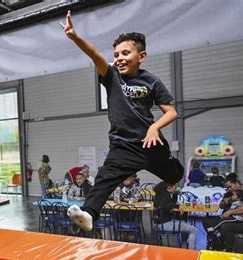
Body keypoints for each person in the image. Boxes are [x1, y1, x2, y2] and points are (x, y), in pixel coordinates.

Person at [61, 11, 184, 231]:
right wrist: (75, 37)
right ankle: (88, 214)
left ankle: (174, 167)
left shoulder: (151, 81)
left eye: (125, 53)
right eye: (116, 54)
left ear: (141, 56)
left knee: (175, 174)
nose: (119, 58)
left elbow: (172, 112)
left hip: (149, 143)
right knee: (104, 179)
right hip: (122, 146)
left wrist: (155, 127)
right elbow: (96, 55)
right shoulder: (111, 76)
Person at [153, 182, 198, 249]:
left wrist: (175, 195)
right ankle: (191, 252)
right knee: (194, 230)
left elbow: (170, 203)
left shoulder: (159, 194)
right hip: (164, 223)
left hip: (159, 223)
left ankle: (186, 245)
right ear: (168, 188)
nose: (176, 189)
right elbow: (164, 205)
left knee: (186, 227)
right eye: (175, 188)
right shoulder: (166, 195)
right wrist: (177, 206)